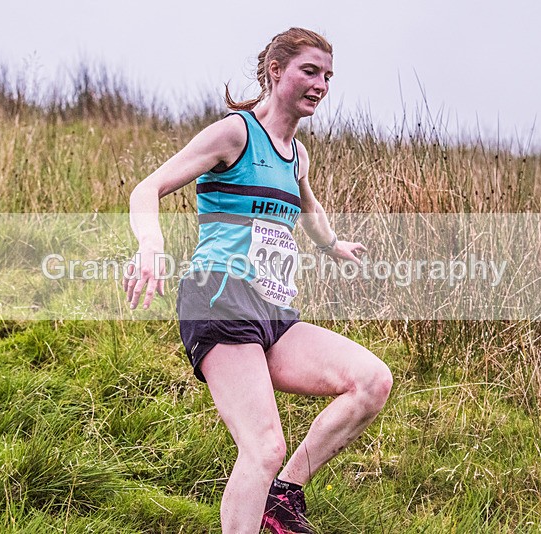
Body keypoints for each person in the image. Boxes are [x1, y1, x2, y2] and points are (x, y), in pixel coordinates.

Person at [123, 27, 392, 534]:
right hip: (219, 299)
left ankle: (283, 496)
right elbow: (148, 187)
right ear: (276, 71)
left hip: (272, 311)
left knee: (372, 382)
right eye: (309, 71)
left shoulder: (298, 154)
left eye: (328, 76)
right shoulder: (235, 134)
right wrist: (150, 247)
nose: (321, 85)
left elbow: (308, 210)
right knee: (263, 446)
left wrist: (332, 244)